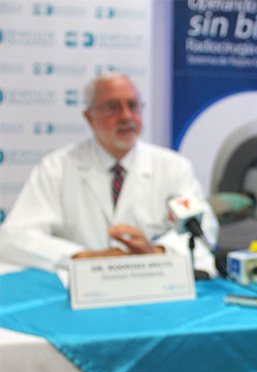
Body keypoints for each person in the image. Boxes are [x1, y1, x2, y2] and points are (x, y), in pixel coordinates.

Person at [0, 73, 219, 276]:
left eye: (132, 105)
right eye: (113, 107)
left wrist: (157, 251)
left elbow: (204, 227)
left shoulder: (172, 166)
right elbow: (15, 236)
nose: (126, 116)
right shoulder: (56, 168)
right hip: (79, 287)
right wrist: (81, 257)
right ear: (89, 117)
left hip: (154, 281)